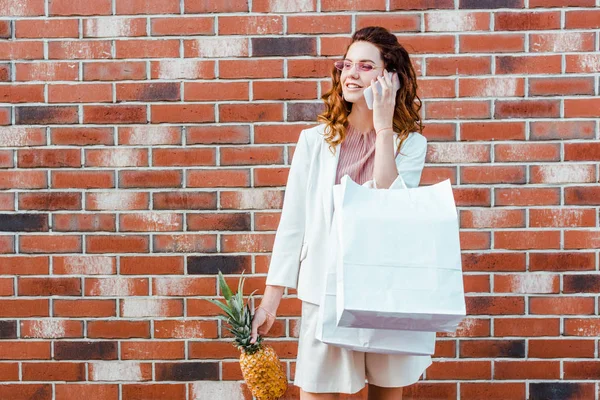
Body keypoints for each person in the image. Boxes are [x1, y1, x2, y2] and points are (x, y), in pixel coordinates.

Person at [250, 26, 431, 400]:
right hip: (325, 293)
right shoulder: (314, 141)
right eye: (346, 65)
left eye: (365, 66)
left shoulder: (410, 144)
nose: (350, 74)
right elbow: (293, 223)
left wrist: (383, 128)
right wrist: (271, 302)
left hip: (385, 296)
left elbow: (391, 205)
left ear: (390, 76)